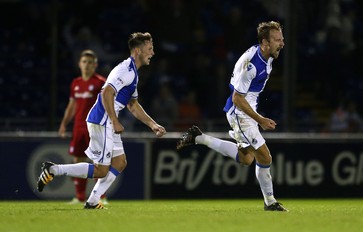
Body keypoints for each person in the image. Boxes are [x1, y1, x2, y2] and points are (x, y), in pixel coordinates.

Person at [38, 32, 167, 209]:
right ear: (137, 51)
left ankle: (92, 201)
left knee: (120, 162)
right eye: (149, 49)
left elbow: (133, 104)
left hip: (106, 120)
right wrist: (114, 120)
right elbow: (106, 92)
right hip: (103, 120)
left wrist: (153, 124)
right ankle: (53, 169)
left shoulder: (133, 74)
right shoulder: (125, 70)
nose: (152, 53)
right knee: (101, 170)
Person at [177, 21, 288, 211]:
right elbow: (237, 98)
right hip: (240, 114)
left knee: (246, 159)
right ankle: (270, 202)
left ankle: (199, 138)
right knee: (265, 157)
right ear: (265, 42)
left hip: (246, 111)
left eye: (282, 39)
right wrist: (260, 119)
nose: (282, 43)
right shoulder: (251, 65)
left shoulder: (267, 55)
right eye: (277, 40)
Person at [58, 49, 108, 205]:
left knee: (98, 163)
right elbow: (72, 106)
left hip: (95, 128)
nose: (87, 65)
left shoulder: (101, 83)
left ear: (95, 65)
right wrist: (64, 123)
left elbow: (108, 104)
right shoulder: (76, 83)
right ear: (79, 64)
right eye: (84, 62)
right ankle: (79, 197)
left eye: (90, 62)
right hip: (78, 128)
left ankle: (100, 197)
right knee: (78, 161)